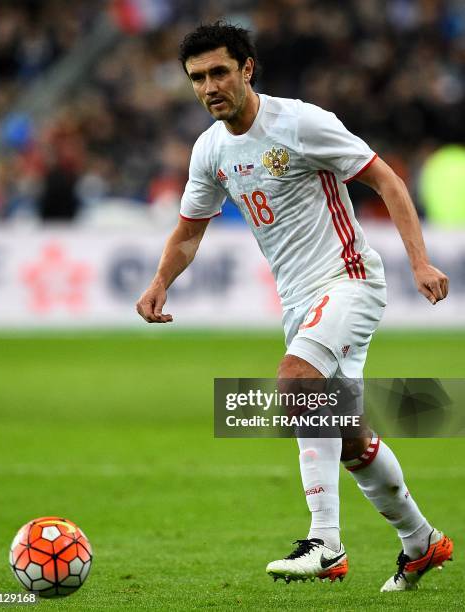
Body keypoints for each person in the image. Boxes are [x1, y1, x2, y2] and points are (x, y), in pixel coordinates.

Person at [136, 21, 452, 591]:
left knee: (295, 380)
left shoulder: (300, 122)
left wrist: (420, 261)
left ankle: (325, 544)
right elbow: (188, 230)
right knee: (348, 436)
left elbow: (387, 181)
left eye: (219, 72)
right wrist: (161, 282)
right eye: (197, 78)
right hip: (300, 301)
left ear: (247, 69)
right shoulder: (209, 149)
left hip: (349, 278)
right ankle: (422, 541)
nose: (209, 86)